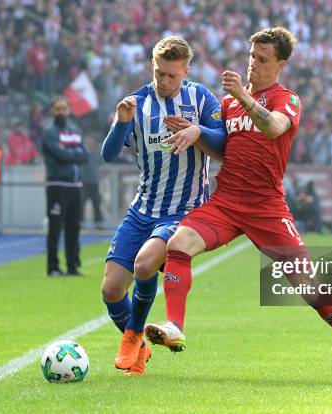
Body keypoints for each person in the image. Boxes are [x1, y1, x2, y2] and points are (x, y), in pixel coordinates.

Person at [145, 27, 332, 377]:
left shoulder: (285, 98)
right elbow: (225, 148)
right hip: (227, 201)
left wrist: (244, 98)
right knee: (180, 242)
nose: (253, 65)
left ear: (280, 65)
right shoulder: (229, 103)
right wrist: (196, 132)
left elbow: (274, 128)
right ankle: (174, 326)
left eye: (262, 60)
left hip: (266, 208)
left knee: (308, 285)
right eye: (251, 57)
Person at [101, 36, 226, 377]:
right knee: (111, 289)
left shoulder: (200, 98)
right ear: (151, 67)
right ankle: (140, 348)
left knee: (144, 266)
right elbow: (108, 154)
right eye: (159, 73)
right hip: (143, 207)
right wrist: (122, 122)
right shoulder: (136, 103)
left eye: (172, 75)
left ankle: (132, 336)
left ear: (186, 70)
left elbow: (226, 145)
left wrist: (197, 131)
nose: (165, 82)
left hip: (185, 210)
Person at [42, 96, 87, 276]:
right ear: (53, 111)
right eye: (57, 109)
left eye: (64, 108)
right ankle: (53, 267)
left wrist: (69, 152)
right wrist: (72, 153)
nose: (61, 112)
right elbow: (60, 154)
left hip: (75, 185)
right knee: (54, 227)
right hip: (57, 184)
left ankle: (72, 266)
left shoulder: (75, 130)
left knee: (74, 227)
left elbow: (84, 155)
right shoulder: (49, 132)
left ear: (69, 110)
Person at [80, 133, 104, 229]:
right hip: (84, 182)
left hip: (94, 182)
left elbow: (103, 162)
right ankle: (81, 222)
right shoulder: (82, 151)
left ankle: (98, 223)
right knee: (81, 204)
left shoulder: (98, 151)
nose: (89, 141)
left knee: (96, 203)